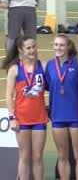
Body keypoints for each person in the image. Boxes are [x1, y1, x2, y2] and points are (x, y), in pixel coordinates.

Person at [4, 37, 47, 180]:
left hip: (39, 118)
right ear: (20, 50)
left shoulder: (43, 66)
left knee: (38, 157)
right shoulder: (15, 69)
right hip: (21, 119)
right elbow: (9, 95)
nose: (32, 50)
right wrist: (12, 118)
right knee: (24, 156)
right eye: (28, 48)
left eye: (34, 46)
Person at [45, 34, 78, 180]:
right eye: (56, 45)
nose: (58, 48)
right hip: (57, 116)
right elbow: (48, 86)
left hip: (76, 115)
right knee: (62, 156)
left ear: (68, 46)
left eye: (62, 45)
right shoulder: (50, 65)